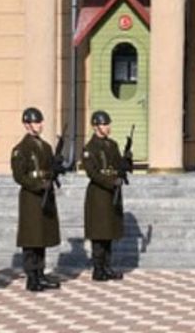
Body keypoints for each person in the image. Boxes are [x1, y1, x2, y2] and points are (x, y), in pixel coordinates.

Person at [11, 107, 63, 292]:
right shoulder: (20, 149)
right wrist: (39, 185)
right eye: (36, 122)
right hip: (31, 197)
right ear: (27, 125)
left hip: (46, 195)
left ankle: (40, 274)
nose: (40, 125)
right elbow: (19, 176)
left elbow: (49, 170)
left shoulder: (46, 147)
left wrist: (56, 169)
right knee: (31, 238)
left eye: (41, 122)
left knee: (42, 237)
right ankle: (32, 277)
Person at [83, 111, 125, 282]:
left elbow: (118, 165)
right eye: (104, 124)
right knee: (99, 233)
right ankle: (98, 269)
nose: (108, 127)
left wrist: (126, 163)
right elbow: (92, 173)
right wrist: (111, 182)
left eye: (108, 124)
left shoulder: (112, 145)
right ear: (96, 127)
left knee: (109, 232)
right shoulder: (89, 148)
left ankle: (107, 267)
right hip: (99, 194)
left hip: (112, 194)